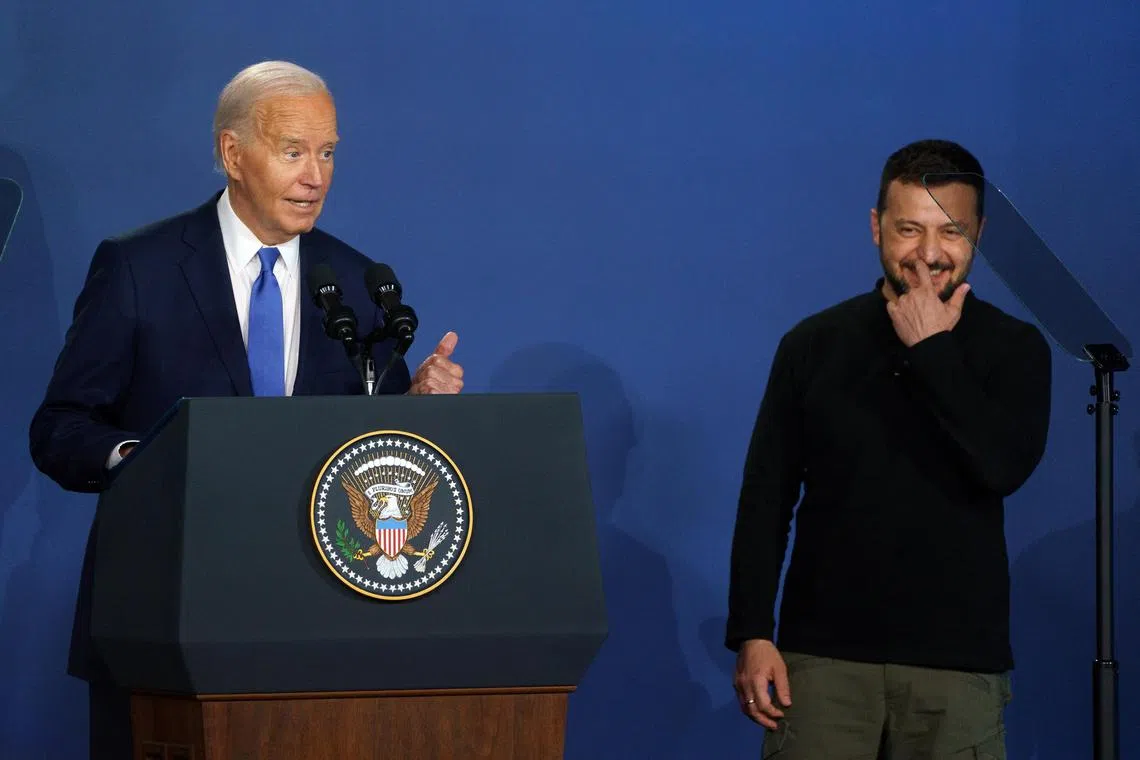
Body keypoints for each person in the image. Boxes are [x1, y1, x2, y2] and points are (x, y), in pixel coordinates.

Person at [28, 60, 464, 759]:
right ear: (233, 154)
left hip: (317, 627)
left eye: (327, 153)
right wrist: (142, 464)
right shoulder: (139, 267)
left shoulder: (352, 281)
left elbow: (373, 445)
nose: (314, 175)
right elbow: (60, 428)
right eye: (293, 152)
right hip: (163, 616)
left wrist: (417, 409)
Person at [725, 139, 1052, 759]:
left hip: (957, 668)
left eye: (951, 231)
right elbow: (765, 497)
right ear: (877, 227)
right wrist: (752, 631)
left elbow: (1002, 467)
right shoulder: (813, 345)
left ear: (978, 232)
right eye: (909, 229)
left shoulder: (1016, 350)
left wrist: (932, 353)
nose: (929, 254)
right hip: (821, 662)